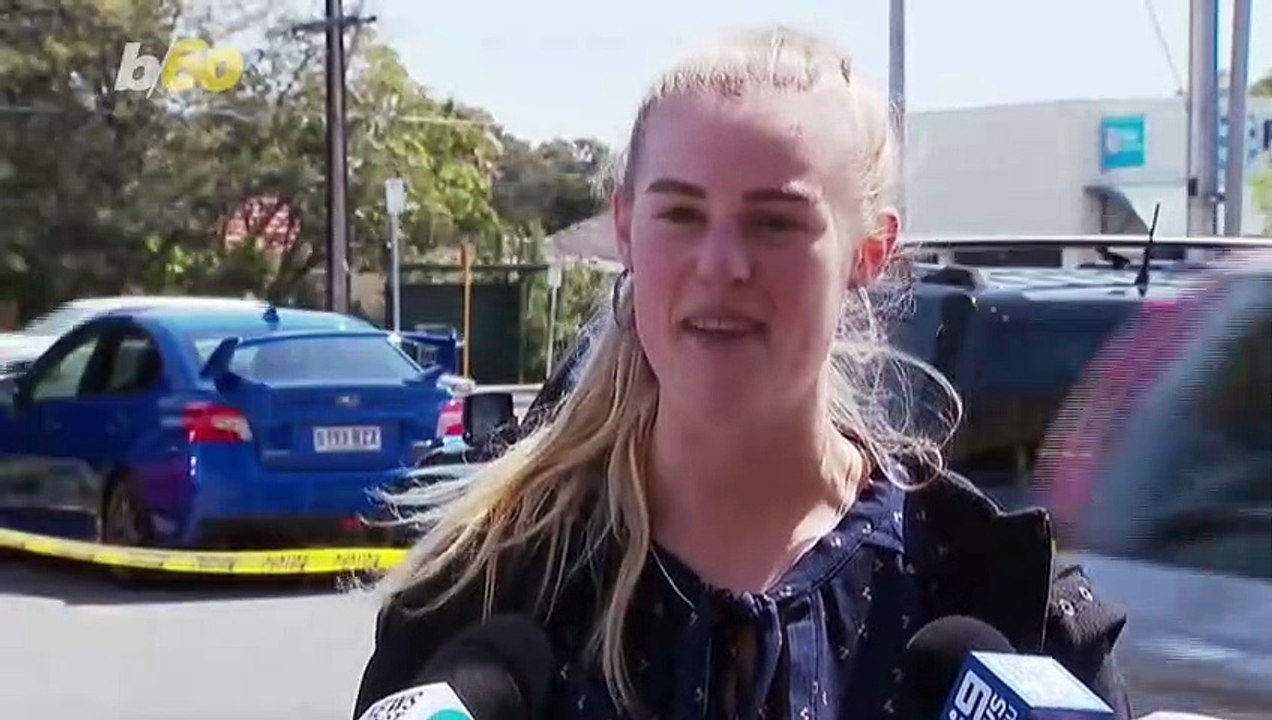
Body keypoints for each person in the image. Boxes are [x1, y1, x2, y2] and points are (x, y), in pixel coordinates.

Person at [353, 26, 1132, 720]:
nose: (721, 265)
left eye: (775, 222)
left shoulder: (1002, 605)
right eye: (681, 214)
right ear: (626, 229)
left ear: (869, 252)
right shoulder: (478, 601)